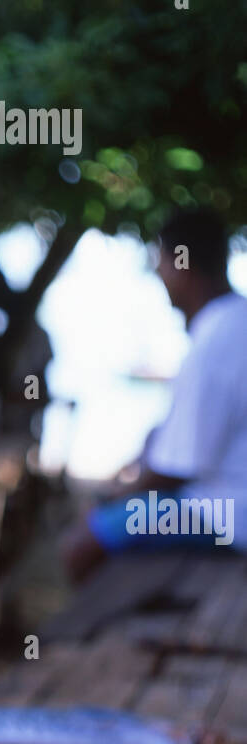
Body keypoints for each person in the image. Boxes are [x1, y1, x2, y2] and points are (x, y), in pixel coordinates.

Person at [64, 210, 247, 580]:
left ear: (182, 264)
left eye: (161, 262)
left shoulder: (213, 340)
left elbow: (174, 471)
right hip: (227, 504)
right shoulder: (234, 319)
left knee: (80, 543)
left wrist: (113, 497)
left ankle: (84, 634)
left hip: (226, 513)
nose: (159, 274)